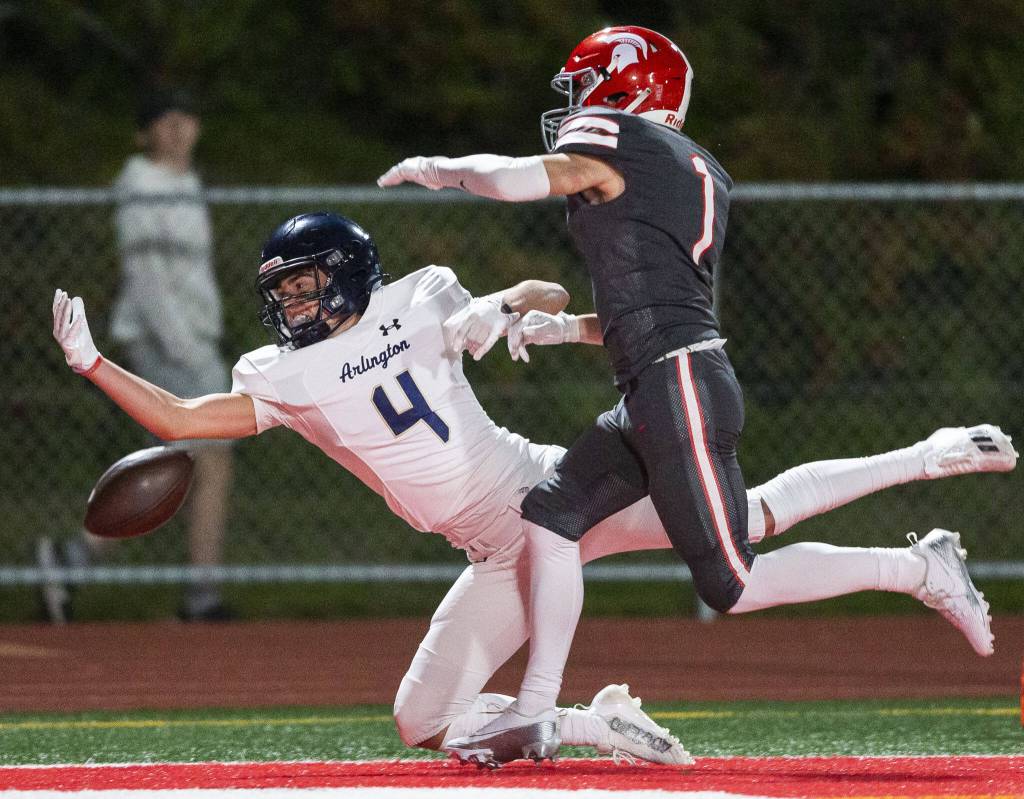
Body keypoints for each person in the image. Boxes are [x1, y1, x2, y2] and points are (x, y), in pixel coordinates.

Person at [52, 212, 1015, 767]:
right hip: (497, 545)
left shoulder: (414, 302)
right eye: (284, 291)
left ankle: (920, 509)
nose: (291, 305)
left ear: (344, 278)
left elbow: (541, 295)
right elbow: (182, 419)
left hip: (550, 496)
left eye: (304, 287)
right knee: (417, 721)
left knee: (744, 529)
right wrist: (93, 363)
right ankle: (593, 718)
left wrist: (518, 302)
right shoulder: (290, 368)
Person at [377, 24, 1017, 763]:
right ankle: (536, 707)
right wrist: (561, 330)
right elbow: (654, 306)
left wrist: (439, 168)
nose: (577, 105)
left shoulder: (622, 139)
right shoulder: (689, 167)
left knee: (732, 582)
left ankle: (917, 566)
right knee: (551, 516)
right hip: (663, 377)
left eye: (587, 86)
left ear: (625, 88)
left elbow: (520, 177)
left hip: (674, 385)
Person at [37, 88, 235, 622]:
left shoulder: (185, 185)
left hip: (190, 340)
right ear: (144, 133)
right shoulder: (142, 185)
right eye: (163, 120)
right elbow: (148, 280)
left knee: (176, 464)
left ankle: (72, 562)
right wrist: (182, 346)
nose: (177, 129)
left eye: (185, 117)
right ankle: (201, 594)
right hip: (170, 344)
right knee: (206, 460)